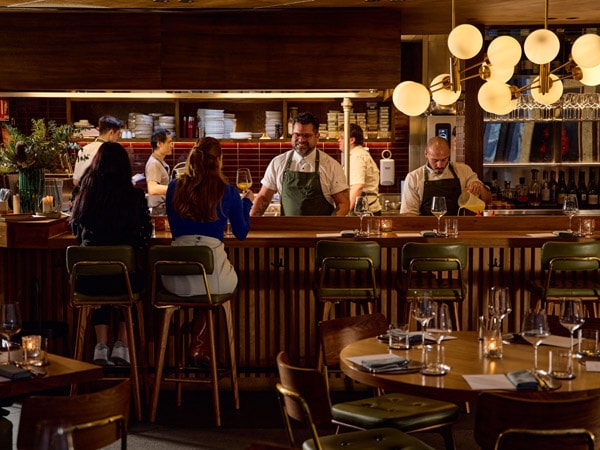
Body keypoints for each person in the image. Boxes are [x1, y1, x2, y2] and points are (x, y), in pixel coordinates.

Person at [164, 137, 253, 365]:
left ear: (192, 158)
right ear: (219, 160)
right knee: (211, 286)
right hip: (212, 280)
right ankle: (198, 341)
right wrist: (246, 203)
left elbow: (175, 230)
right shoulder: (229, 192)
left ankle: (196, 337)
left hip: (175, 280)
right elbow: (241, 233)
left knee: (202, 283)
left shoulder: (174, 187)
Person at [70, 141, 152, 365]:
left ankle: (100, 345)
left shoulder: (83, 194)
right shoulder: (134, 197)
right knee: (131, 282)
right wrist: (130, 247)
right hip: (122, 281)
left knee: (100, 286)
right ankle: (122, 346)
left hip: (86, 282)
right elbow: (144, 233)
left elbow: (76, 228)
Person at [250, 112, 350, 216]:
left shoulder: (331, 166)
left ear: (317, 136)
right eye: (297, 135)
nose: (301, 139)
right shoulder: (278, 163)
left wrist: (329, 227)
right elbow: (263, 198)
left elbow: (343, 203)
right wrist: (250, 223)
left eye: (306, 135)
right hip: (287, 231)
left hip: (320, 231)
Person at [401, 136, 491, 216]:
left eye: (444, 159)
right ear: (426, 154)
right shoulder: (414, 178)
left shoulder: (463, 170)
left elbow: (487, 199)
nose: (440, 165)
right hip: (427, 231)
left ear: (449, 154)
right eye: (435, 160)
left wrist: (479, 187)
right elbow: (410, 214)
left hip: (458, 229)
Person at [338, 123, 381, 214]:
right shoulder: (358, 154)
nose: (339, 140)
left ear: (351, 140)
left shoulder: (357, 157)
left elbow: (358, 186)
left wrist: (344, 212)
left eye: (342, 137)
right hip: (364, 210)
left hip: (363, 213)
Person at [72, 116, 124, 186]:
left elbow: (75, 181)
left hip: (85, 195)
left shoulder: (83, 150)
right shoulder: (113, 152)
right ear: (111, 133)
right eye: (118, 134)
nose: (118, 138)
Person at [146, 128, 174, 210]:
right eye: (169, 142)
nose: (172, 145)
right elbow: (153, 189)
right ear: (159, 143)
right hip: (158, 210)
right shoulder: (154, 164)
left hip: (161, 208)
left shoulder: (159, 162)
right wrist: (176, 188)